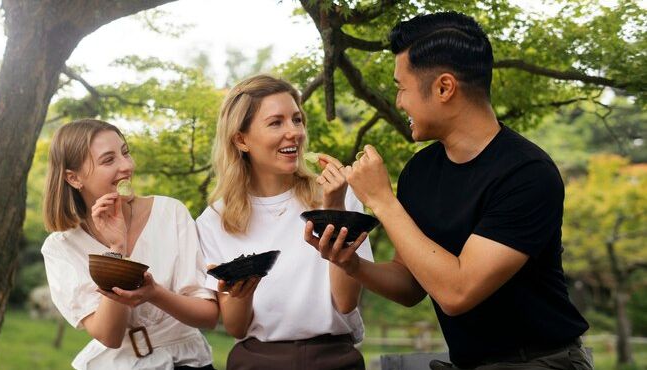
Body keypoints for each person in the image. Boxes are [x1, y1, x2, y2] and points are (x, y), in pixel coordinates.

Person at [313, 12, 593, 369]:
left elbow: (457, 292)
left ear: (444, 88)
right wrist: (351, 263)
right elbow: (411, 284)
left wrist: (381, 200)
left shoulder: (527, 174)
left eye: (402, 88)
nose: (399, 102)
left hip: (541, 361)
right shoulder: (420, 171)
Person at [196, 75, 374, 370]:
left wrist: (334, 209)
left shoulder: (338, 195)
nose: (294, 132)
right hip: (256, 361)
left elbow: (346, 302)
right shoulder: (214, 220)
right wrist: (243, 293)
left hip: (334, 358)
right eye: (276, 123)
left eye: (297, 120)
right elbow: (237, 328)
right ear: (241, 139)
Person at [41, 119, 218, 370]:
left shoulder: (170, 213)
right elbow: (109, 336)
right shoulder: (61, 247)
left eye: (125, 153)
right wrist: (117, 251)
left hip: (187, 362)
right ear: (73, 178)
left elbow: (209, 316)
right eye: (108, 160)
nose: (126, 166)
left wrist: (155, 294)